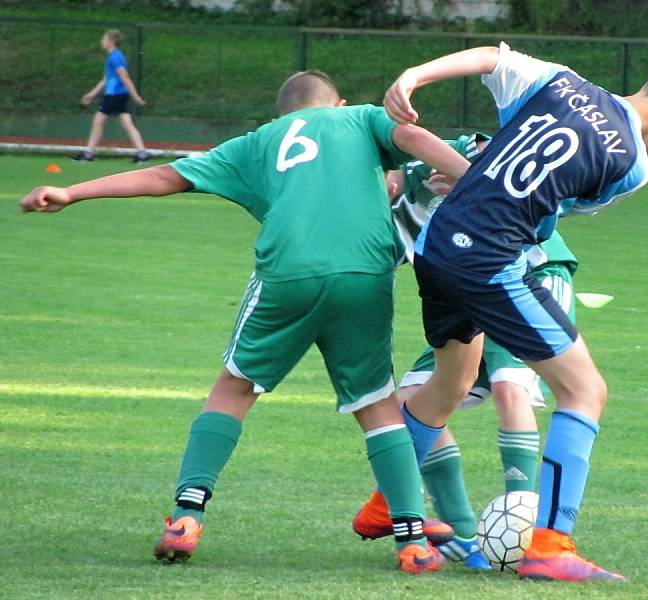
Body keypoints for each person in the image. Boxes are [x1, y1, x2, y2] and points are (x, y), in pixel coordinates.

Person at [20, 70, 472, 574]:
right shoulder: (360, 117)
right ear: (337, 102)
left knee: (234, 389)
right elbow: (410, 137)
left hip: (288, 271)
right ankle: (411, 541)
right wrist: (471, 178)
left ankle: (186, 518)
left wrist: (73, 192)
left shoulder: (257, 142)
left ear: (281, 115)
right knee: (376, 403)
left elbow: (165, 177)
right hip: (364, 273)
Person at [376, 42, 648, 582]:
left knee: (451, 382)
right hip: (489, 260)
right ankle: (549, 544)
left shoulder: (560, 81)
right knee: (585, 390)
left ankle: (386, 505)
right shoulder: (633, 165)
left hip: (437, 245)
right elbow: (549, 215)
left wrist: (414, 74)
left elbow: (490, 58)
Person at [354, 133, 579, 571]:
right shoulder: (385, 218)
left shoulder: (437, 156)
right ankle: (462, 534)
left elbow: (505, 158)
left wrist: (466, 173)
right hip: (469, 287)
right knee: (411, 403)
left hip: (532, 270)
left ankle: (526, 529)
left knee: (510, 387)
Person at [73, 29, 150, 163]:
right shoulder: (114, 56)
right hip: (117, 94)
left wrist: (136, 97)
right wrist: (92, 94)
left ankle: (89, 153)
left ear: (111, 41)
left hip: (114, 95)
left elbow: (124, 77)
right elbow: (106, 79)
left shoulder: (115, 57)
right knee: (126, 123)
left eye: (104, 39)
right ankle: (142, 152)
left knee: (98, 120)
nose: (102, 42)